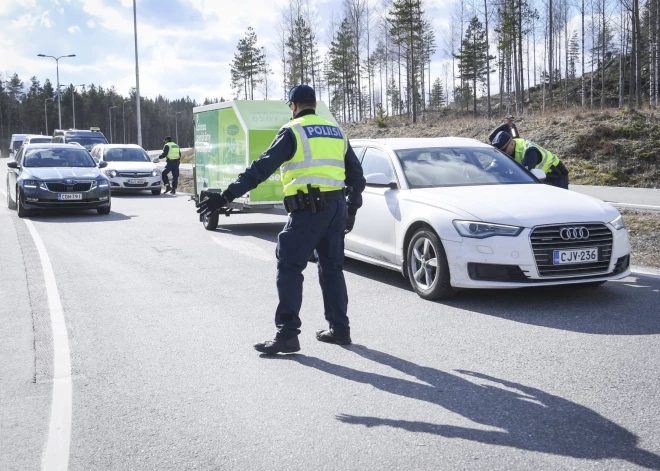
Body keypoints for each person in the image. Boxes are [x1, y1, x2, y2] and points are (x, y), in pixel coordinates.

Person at [196, 85, 366, 355]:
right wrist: (352, 209)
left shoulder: (293, 130)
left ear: (293, 106)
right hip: (336, 208)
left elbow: (261, 168)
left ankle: (287, 335)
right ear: (315, 105)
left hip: (308, 209)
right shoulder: (336, 131)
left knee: (289, 267)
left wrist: (227, 196)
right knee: (332, 268)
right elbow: (357, 175)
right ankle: (340, 329)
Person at [492, 131, 569, 189]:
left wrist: (505, 175)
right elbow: (492, 170)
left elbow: (525, 177)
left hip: (556, 174)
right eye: (499, 152)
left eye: (503, 150)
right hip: (541, 178)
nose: (501, 154)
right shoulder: (504, 152)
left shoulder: (529, 152)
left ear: (511, 144)